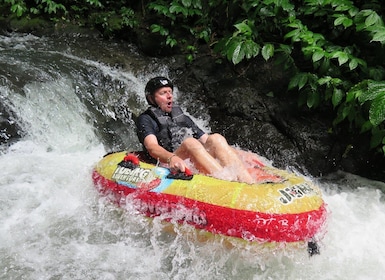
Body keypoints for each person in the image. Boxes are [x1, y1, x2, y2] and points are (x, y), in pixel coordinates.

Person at [136, 76, 254, 184]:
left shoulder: (181, 117)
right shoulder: (145, 119)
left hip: (185, 160)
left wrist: (241, 154)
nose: (169, 96)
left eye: (170, 92)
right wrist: (171, 158)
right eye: (163, 93)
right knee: (190, 143)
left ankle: (248, 183)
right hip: (166, 163)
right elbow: (152, 147)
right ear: (151, 98)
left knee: (216, 138)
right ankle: (229, 182)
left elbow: (207, 141)